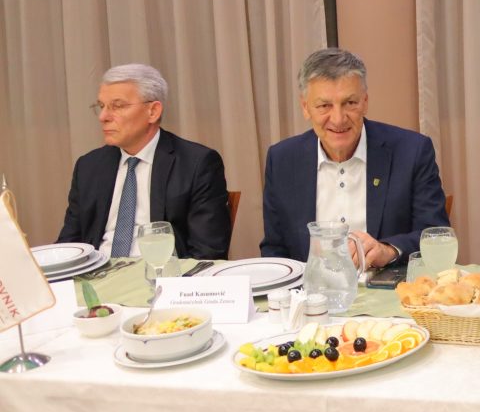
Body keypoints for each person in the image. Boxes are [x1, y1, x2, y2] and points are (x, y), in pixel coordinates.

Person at [260, 48, 450, 266]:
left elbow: (436, 237)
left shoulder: (412, 151)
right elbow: (274, 249)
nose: (338, 119)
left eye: (350, 103)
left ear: (365, 102)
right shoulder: (282, 160)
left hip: (388, 285)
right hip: (311, 287)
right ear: (305, 107)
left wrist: (388, 250)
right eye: (324, 106)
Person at [57, 64, 231, 259]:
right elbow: (70, 245)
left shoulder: (196, 164)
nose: (103, 117)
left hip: (161, 272)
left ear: (153, 111)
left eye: (117, 106)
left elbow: (208, 252)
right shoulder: (89, 167)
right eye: (102, 106)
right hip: (99, 272)